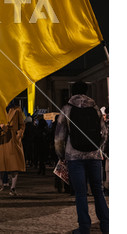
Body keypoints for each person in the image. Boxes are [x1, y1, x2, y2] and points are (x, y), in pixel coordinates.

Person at [55, 81, 109, 234]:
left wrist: (61, 155)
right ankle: (107, 225)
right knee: (98, 192)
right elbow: (104, 133)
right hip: (94, 155)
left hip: (74, 156)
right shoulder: (95, 108)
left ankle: (84, 228)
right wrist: (100, 150)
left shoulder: (67, 108)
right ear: (86, 91)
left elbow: (59, 137)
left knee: (80, 194)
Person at [0, 99, 26, 196]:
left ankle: (13, 188)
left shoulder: (17, 109)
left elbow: (22, 125)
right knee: (1, 164)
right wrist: (1, 126)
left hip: (13, 139)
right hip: (3, 138)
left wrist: (19, 135)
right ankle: (1, 185)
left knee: (14, 164)